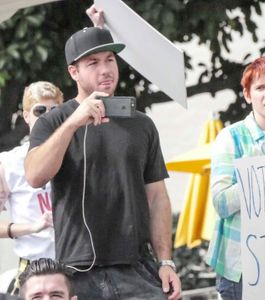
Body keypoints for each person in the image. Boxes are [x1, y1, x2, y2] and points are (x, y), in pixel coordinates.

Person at [24, 26, 181, 299]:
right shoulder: (53, 121)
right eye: (93, 63)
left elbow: (157, 197)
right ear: (74, 72)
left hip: (137, 267)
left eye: (110, 59)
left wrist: (165, 261)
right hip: (78, 271)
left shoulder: (141, 124)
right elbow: (35, 175)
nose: (105, 69)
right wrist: (74, 122)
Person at [205, 56, 265, 300]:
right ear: (247, 95)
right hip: (245, 270)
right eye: (260, 88)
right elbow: (221, 203)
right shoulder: (231, 137)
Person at [0, 81, 63, 295]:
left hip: (76, 264)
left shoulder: (79, 153)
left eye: (55, 110)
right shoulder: (9, 162)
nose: (48, 116)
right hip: (34, 267)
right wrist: (32, 227)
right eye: (40, 110)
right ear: (26, 116)